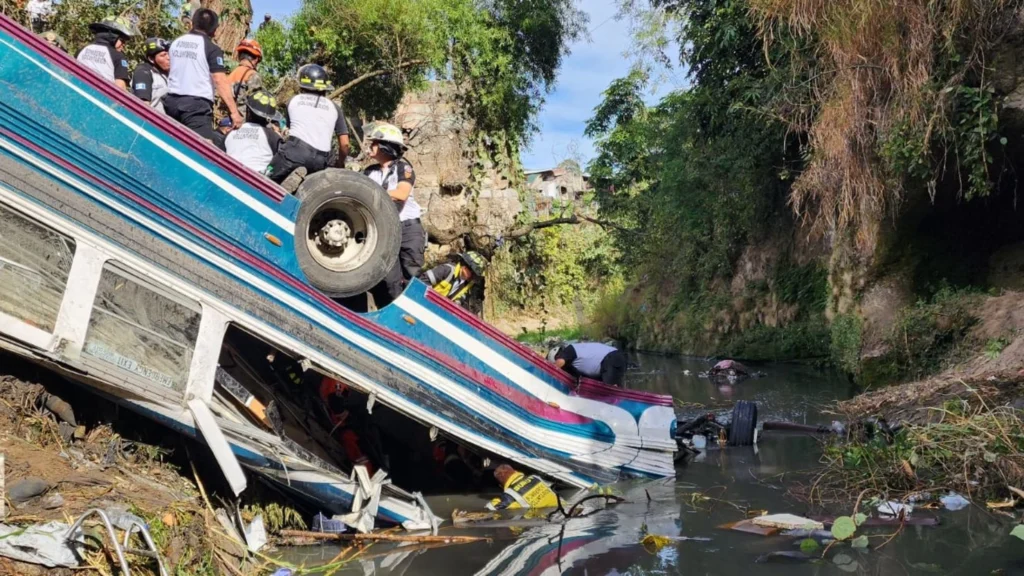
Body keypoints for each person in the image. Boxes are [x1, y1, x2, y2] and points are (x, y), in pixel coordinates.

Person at [363, 123, 424, 307]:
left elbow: (401, 194)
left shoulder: (403, 169)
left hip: (408, 229)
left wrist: (372, 191)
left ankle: (415, 316)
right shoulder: (369, 172)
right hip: (384, 230)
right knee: (389, 281)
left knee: (412, 277)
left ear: (385, 146)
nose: (370, 147)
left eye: (374, 143)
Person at [165, 8, 242, 148]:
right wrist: (234, 112)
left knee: (172, 145)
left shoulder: (176, 43)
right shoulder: (211, 49)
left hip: (171, 103)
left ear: (193, 23)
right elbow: (219, 80)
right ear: (214, 29)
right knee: (202, 150)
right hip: (195, 108)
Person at [266, 64, 350, 186]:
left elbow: (289, 130)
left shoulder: (293, 101)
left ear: (302, 86)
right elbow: (345, 143)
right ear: (325, 88)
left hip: (294, 153)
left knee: (266, 182)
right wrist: (341, 162)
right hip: (321, 161)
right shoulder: (335, 108)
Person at [225, 89, 282, 173]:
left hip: (228, 176)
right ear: (269, 118)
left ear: (248, 111)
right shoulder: (272, 136)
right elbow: (281, 161)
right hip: (257, 180)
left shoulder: (230, 133)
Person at [76, 16, 135, 90]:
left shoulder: (82, 50)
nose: (124, 45)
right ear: (113, 37)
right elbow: (120, 87)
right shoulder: (118, 57)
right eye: (122, 41)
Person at [547, 342, 627, 387]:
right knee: (609, 389)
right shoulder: (575, 366)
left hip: (611, 358)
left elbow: (560, 362)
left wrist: (547, 374)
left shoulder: (569, 350)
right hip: (615, 359)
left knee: (610, 389)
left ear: (557, 356)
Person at [420, 251, 487, 305]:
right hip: (424, 301)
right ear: (465, 267)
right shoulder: (446, 270)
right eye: (472, 273)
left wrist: (458, 302)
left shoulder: (467, 284)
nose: (473, 276)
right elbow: (423, 280)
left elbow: (462, 296)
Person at [220, 39, 263, 122]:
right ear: (256, 59)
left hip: (228, 123)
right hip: (243, 125)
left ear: (239, 56)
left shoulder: (231, 75)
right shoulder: (252, 75)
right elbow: (257, 106)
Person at [486, 464, 559, 511]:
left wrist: (495, 501)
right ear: (515, 471)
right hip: (563, 510)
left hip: (546, 519)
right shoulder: (536, 478)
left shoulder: (510, 495)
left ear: (500, 483)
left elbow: (491, 509)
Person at [131, 38, 171, 113]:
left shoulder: (168, 72)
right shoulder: (143, 73)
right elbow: (143, 106)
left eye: (169, 54)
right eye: (163, 55)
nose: (168, 58)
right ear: (151, 59)